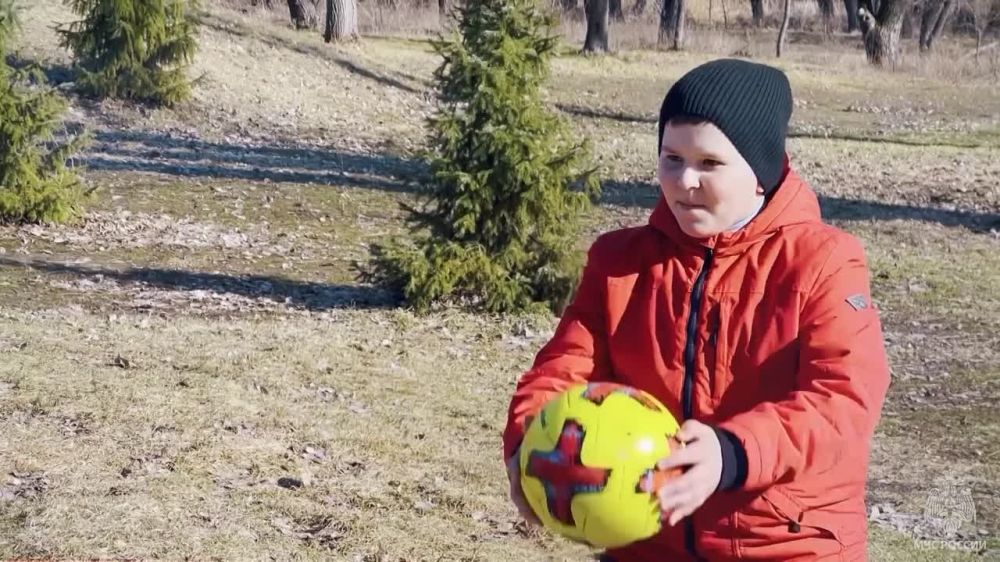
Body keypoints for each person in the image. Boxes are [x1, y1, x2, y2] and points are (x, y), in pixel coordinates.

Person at [501, 58, 891, 561]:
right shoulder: (620, 262)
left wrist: (731, 453)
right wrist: (528, 444)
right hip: (647, 540)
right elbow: (564, 367)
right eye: (671, 157)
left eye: (710, 163)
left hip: (785, 542)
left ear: (760, 173)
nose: (685, 180)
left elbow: (843, 399)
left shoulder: (823, 262)